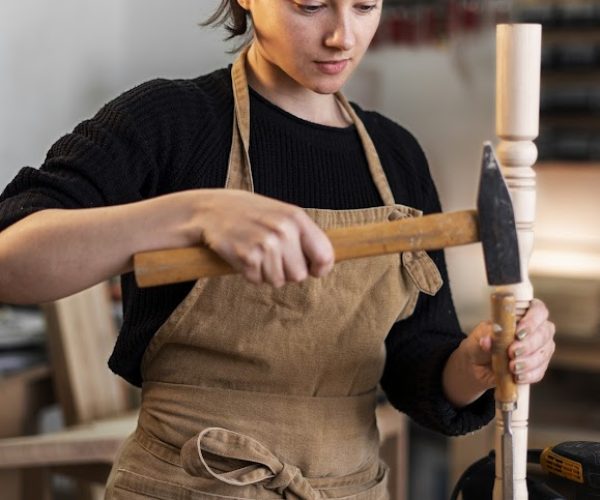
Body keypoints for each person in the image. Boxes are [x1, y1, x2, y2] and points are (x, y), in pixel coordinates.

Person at [0, 1, 555, 498]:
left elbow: (416, 358)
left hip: (350, 488)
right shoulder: (171, 121)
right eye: (310, 5)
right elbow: (11, 260)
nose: (343, 35)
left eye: (365, 6)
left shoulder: (397, 156)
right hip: (189, 484)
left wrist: (476, 365)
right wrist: (192, 213)